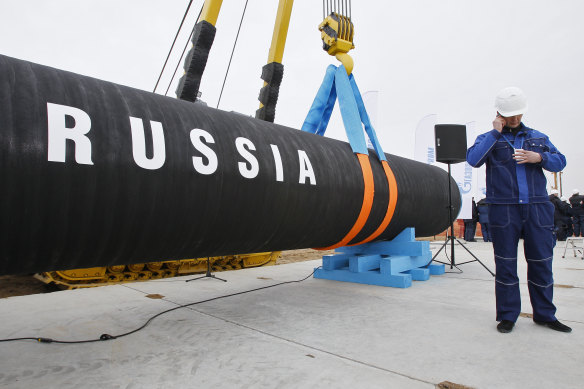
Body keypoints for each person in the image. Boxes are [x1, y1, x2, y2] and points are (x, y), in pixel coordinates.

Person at [467, 87, 571, 334]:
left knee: (541, 262)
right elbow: (474, 159)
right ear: (499, 113)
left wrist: (540, 158)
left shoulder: (539, 138)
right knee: (505, 264)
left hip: (537, 208)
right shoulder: (488, 138)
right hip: (503, 209)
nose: (514, 119)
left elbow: (561, 160)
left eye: (517, 115)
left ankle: (545, 314)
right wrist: (495, 132)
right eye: (509, 115)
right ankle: (507, 315)